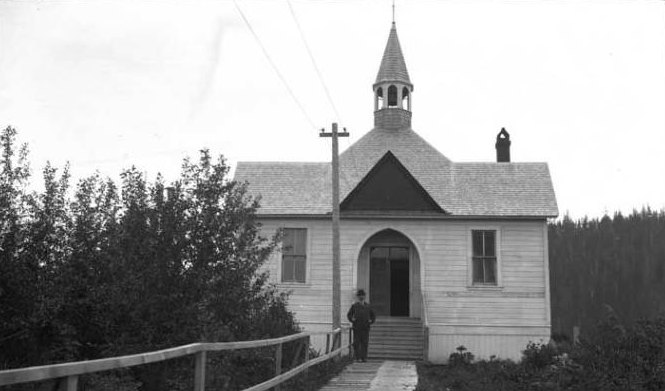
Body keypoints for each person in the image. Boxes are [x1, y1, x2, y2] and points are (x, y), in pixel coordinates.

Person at [346, 289, 376, 362]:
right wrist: (352, 319)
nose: (361, 297)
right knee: (356, 343)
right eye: (360, 296)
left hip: (365, 328)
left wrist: (371, 321)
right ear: (358, 297)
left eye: (362, 295)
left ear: (365, 296)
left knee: (364, 343)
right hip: (357, 328)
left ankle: (364, 358)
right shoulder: (355, 306)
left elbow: (373, 315)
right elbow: (349, 315)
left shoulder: (368, 306)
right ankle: (357, 358)